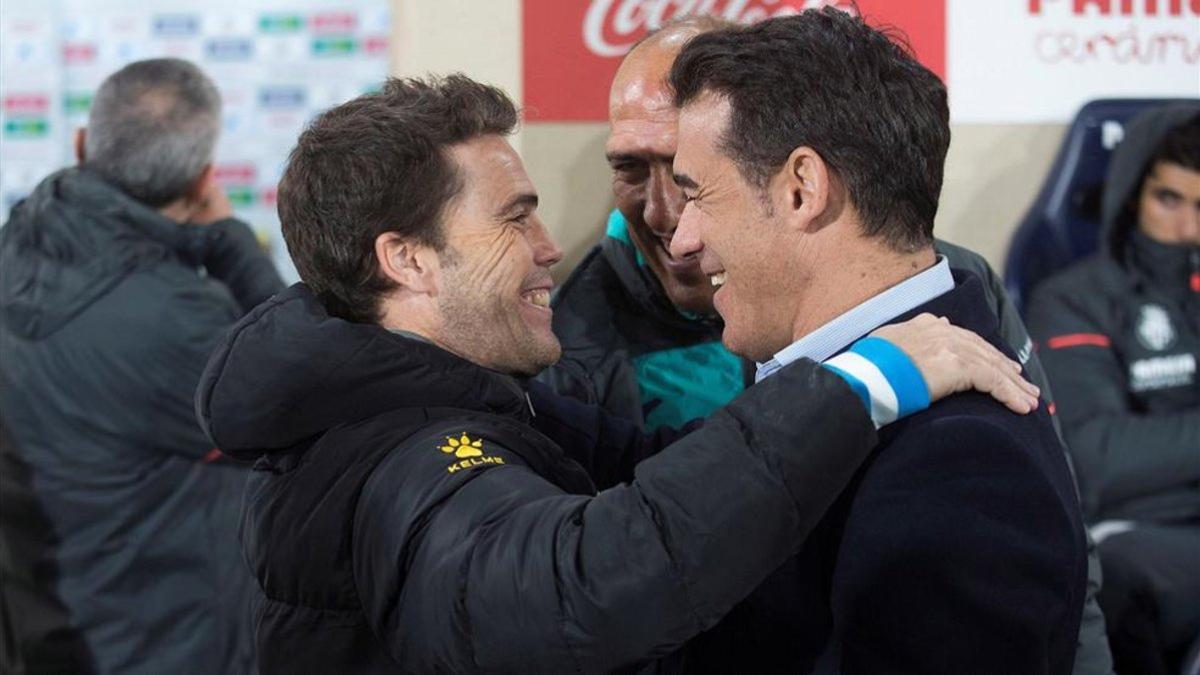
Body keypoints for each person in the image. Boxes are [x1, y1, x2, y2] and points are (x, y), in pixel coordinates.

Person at [194, 74, 1039, 674]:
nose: (551, 247)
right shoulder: (405, 457)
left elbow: (646, 464)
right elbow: (576, 585)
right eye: (514, 219)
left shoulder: (431, 393)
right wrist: (856, 384)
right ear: (410, 260)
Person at [543, 15, 1114, 674]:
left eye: (698, 192)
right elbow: (669, 465)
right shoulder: (838, 373)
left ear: (800, 189)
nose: (682, 236)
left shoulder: (960, 462)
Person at [0, 58, 283, 674]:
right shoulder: (179, 319)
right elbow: (301, 397)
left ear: (81, 145)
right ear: (205, 177)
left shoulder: (13, 248)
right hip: (160, 640)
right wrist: (232, 240)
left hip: (43, 628)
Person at [1027, 105, 1200, 675]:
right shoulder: (1072, 300)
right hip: (1142, 537)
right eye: (1169, 200)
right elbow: (1099, 458)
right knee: (1119, 576)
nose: (1189, 230)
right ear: (1131, 196)